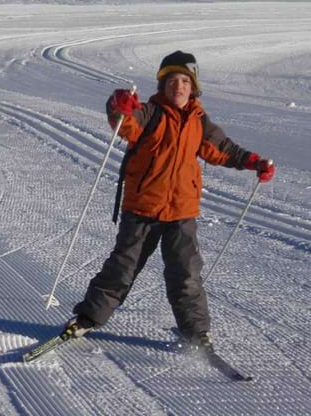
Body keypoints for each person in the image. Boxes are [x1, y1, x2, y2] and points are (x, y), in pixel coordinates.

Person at [60, 50, 276, 350]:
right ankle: (87, 318)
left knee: (186, 274)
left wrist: (255, 162)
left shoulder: (200, 122)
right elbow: (126, 122)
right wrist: (118, 105)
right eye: (172, 80)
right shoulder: (150, 112)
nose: (179, 86)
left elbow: (224, 149)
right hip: (142, 209)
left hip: (181, 211)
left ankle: (196, 333)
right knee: (122, 268)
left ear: (194, 86)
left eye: (185, 81)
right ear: (163, 85)